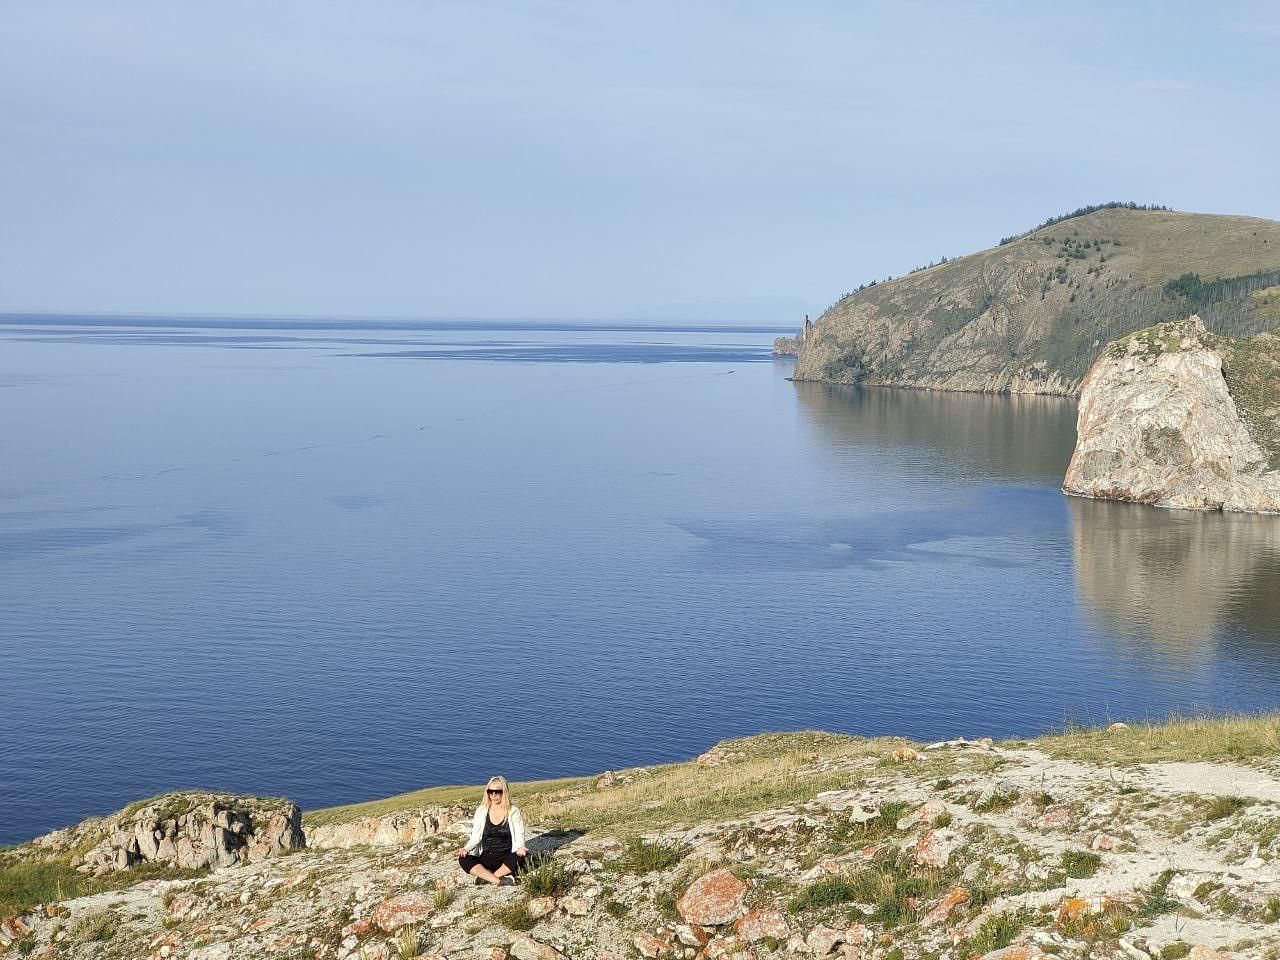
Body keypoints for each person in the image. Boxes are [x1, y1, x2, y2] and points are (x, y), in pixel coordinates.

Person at [455, 775, 530, 885]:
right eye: (490, 791)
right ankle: (500, 880)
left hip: (507, 857)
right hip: (486, 857)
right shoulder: (481, 811)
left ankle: (487, 876)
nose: (493, 795)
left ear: (504, 792)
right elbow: (475, 837)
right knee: (463, 859)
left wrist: (521, 848)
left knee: (522, 856)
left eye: (497, 792)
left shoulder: (513, 811)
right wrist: (466, 849)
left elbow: (519, 835)